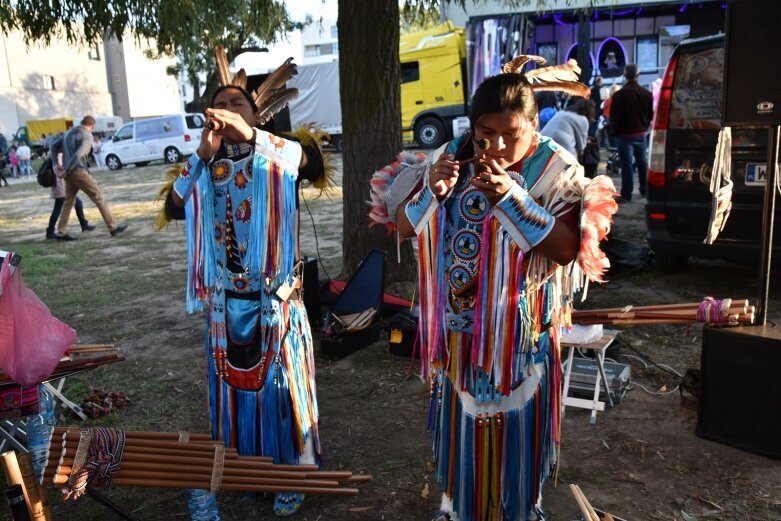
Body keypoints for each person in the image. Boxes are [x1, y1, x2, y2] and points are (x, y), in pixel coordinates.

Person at [380, 59, 617, 521]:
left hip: (521, 336)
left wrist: (513, 199)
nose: (501, 144)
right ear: (473, 125)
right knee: (462, 423)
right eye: (489, 132)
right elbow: (404, 227)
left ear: (533, 125)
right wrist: (432, 190)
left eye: (514, 133)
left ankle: (520, 508)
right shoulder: (450, 154)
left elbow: (568, 249)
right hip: (458, 330)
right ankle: (457, 504)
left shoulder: (555, 168)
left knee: (517, 425)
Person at [165, 55, 329, 517]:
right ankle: (246, 466)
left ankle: (290, 474)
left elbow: (312, 165)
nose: (228, 109)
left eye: (238, 103)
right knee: (234, 391)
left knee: (280, 389)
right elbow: (177, 207)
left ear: (257, 114)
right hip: (226, 298)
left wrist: (254, 138)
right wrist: (201, 155)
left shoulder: (283, 150)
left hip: (276, 298)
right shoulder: (205, 164)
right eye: (220, 105)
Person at [50, 116, 127, 240]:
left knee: (68, 202)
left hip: (69, 173)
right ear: (92, 126)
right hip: (78, 171)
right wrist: (68, 169)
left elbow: (53, 146)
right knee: (98, 198)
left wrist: (56, 163)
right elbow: (78, 155)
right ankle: (113, 227)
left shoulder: (69, 133)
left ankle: (61, 232)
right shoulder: (87, 135)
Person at [610, 64, 654, 202]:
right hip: (641, 133)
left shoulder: (618, 95)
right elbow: (650, 115)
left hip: (623, 135)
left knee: (626, 164)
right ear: (638, 75)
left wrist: (615, 132)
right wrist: (644, 127)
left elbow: (614, 117)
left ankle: (627, 193)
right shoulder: (646, 94)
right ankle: (644, 190)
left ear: (624, 75)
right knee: (642, 162)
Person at [46, 148, 95, 239]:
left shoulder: (55, 153)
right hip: (60, 184)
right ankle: (50, 231)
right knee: (58, 208)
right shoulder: (59, 154)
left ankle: (84, 224)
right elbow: (61, 167)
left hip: (60, 184)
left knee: (78, 204)